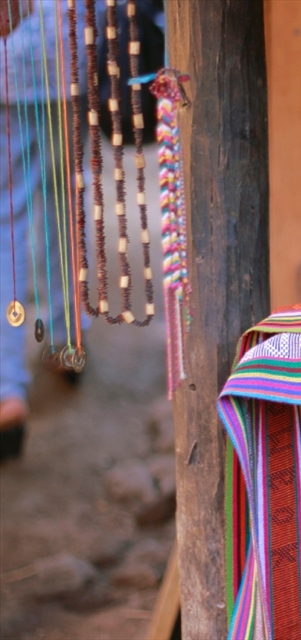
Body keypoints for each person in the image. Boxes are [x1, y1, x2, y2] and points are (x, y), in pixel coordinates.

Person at [1, 0, 90, 461]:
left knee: (3, 222)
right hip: (66, 50)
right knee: (65, 205)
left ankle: (5, 389)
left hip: (7, 63)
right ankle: (64, 338)